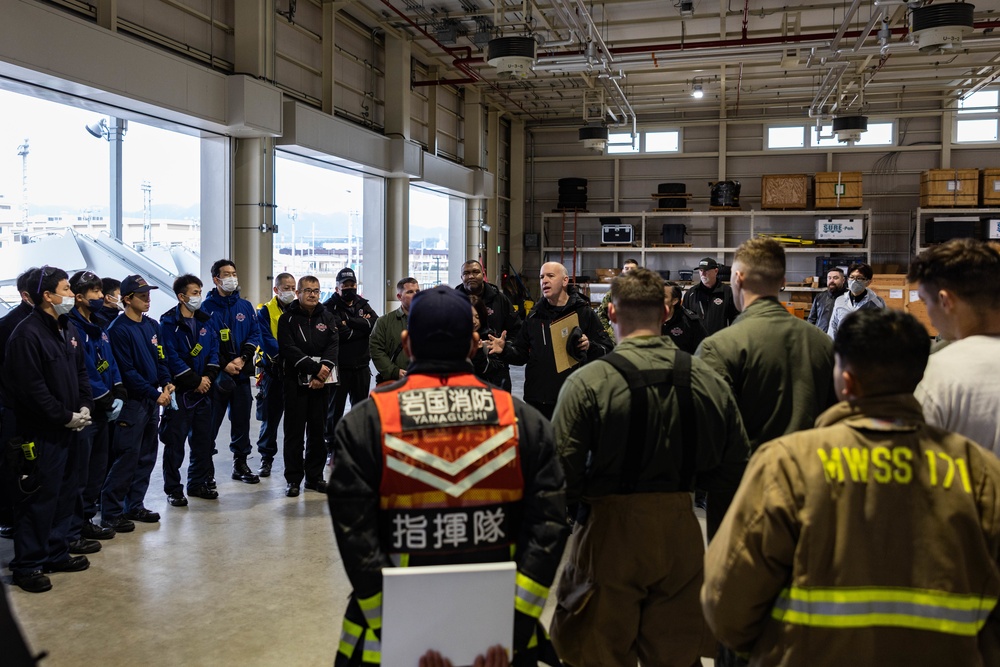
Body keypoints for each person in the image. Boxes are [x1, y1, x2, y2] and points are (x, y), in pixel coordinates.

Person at [702, 308, 1000, 666]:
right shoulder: (978, 471)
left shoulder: (789, 463)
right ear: (919, 374)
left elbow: (727, 603)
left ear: (845, 379)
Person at [328, 285, 569, 667]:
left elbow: (357, 541)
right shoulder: (524, 422)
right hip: (498, 645)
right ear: (474, 344)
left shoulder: (364, 425)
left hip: (390, 645)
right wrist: (514, 624)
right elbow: (550, 527)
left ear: (407, 344)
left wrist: (402, 630)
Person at [550, 268, 750, 667]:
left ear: (610, 312)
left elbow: (559, 476)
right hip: (680, 529)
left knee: (597, 653)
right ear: (665, 310)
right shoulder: (706, 379)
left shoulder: (589, 383)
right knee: (677, 653)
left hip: (608, 531)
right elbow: (736, 467)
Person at [696, 238, 834, 454]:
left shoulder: (718, 348)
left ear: (737, 279)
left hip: (747, 481)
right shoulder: (822, 342)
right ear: (782, 282)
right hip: (808, 475)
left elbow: (706, 433)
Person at [3, 266, 94, 593]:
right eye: (67, 289)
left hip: (70, 427)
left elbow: (81, 372)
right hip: (40, 434)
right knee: (38, 500)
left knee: (67, 492)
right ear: (48, 295)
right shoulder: (27, 335)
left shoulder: (66, 328)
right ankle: (27, 565)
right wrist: (63, 416)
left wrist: (85, 406)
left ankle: (56, 552)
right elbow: (32, 389)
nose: (71, 295)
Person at [487, 262, 612, 419]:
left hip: (573, 400)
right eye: (541, 277)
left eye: (550, 276)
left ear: (565, 280)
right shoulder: (533, 316)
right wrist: (504, 349)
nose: (544, 280)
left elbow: (607, 349)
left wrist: (590, 346)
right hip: (538, 401)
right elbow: (521, 355)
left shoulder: (583, 313)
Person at [909, 239, 1000, 454]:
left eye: (925, 302)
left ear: (945, 300)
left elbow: (915, 465)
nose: (929, 315)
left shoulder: (938, 373)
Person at [102, 275, 174, 533]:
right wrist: (153, 394)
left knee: (146, 456)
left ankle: (135, 504)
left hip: (152, 400)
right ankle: (111, 511)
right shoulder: (117, 330)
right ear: (127, 299)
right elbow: (127, 371)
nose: (147, 299)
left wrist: (166, 382)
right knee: (126, 457)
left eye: (148, 294)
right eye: (142, 295)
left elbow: (161, 358)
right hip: (133, 402)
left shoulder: (152, 326)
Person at [66, 271, 123, 546]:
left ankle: (87, 519)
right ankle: (71, 531)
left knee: (97, 469)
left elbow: (107, 359)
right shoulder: (72, 327)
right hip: (87, 410)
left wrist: (118, 387)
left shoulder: (98, 325)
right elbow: (84, 369)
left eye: (101, 291)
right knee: (79, 472)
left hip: (105, 407)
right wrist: (102, 396)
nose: (101, 297)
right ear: (79, 296)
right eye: (95, 292)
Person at [158, 274, 221, 507]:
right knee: (175, 444)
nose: (198, 297)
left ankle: (197, 483)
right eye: (194, 293)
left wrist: (207, 378)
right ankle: (174, 489)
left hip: (204, 392)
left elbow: (214, 350)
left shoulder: (206, 321)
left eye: (199, 292)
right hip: (181, 394)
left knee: (204, 443)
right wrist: (195, 381)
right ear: (181, 296)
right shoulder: (167, 324)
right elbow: (170, 358)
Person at [202, 259, 262, 485]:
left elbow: (254, 334)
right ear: (216, 279)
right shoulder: (206, 308)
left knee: (241, 420)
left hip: (241, 374)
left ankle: (241, 463)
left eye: (234, 273)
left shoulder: (245, 307)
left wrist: (243, 358)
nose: (232, 278)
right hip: (217, 375)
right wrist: (225, 363)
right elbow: (208, 340)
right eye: (226, 274)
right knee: (210, 423)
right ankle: (205, 468)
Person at [278, 275, 339, 497]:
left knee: (317, 432)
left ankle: (315, 478)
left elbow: (333, 345)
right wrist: (315, 370)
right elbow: (288, 348)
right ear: (298, 293)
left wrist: (323, 372)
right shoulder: (288, 319)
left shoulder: (328, 317)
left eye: (316, 290)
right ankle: (293, 479)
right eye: (307, 290)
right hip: (295, 383)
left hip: (322, 384)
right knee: (294, 433)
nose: (312, 294)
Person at [0, 268, 38, 540]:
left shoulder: (51, 322)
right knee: (13, 464)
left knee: (34, 464)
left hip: (38, 409)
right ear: (27, 295)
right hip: (14, 407)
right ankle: (8, 517)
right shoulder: (11, 325)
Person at [323, 267, 377, 448]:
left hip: (361, 366)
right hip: (339, 368)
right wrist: (362, 328)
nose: (349, 288)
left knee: (360, 410)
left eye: (352, 284)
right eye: (345, 285)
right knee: (334, 411)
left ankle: (357, 445)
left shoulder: (362, 304)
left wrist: (350, 322)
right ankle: (332, 444)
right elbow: (341, 335)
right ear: (337, 287)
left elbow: (374, 324)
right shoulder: (329, 307)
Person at [456, 260, 522, 390]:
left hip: (497, 370)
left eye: (475, 272)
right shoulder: (453, 301)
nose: (471, 276)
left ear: (483, 274)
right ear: (461, 277)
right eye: (466, 273)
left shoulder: (499, 299)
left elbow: (516, 329)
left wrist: (505, 347)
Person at [254, 272, 296, 477]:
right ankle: (266, 458)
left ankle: (295, 459)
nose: (289, 292)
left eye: (292, 288)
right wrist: (286, 355)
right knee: (270, 419)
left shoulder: (299, 309)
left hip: (295, 371)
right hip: (273, 371)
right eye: (285, 288)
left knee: (296, 419)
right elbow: (265, 339)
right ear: (276, 289)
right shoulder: (264, 311)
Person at [370, 277, 419, 383]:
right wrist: (394, 372)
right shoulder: (384, 322)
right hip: (394, 381)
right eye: (410, 292)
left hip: (421, 381)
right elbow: (376, 349)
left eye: (417, 291)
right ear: (399, 296)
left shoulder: (430, 320)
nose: (415, 295)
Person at [826, 262, 885, 339]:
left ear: (868, 282)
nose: (854, 281)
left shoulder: (877, 303)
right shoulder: (840, 300)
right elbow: (833, 326)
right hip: (843, 348)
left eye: (859, 278)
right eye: (852, 277)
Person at [681, 257, 739, 335]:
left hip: (719, 342)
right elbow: (685, 320)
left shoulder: (727, 292)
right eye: (701, 270)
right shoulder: (691, 293)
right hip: (697, 344)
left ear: (716, 271)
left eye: (706, 270)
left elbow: (735, 319)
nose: (703, 273)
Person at [595, 258, 638, 344]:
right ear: (622, 271)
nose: (629, 271)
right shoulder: (614, 292)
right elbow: (601, 314)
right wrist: (609, 332)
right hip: (617, 340)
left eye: (632, 269)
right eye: (626, 268)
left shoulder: (646, 292)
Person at [662, 280, 707, 354]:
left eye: (663, 296)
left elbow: (703, 351)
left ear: (674, 301)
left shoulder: (690, 322)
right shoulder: (648, 320)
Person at [470, 298, 507, 386]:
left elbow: (493, 370)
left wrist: (479, 352)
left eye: (477, 317)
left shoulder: (490, 337)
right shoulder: (454, 337)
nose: (473, 321)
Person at [807, 267, 846, 332]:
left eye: (835, 278)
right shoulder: (820, 297)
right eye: (829, 278)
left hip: (840, 339)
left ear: (843, 280)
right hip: (821, 337)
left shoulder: (848, 297)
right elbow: (811, 319)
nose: (832, 281)